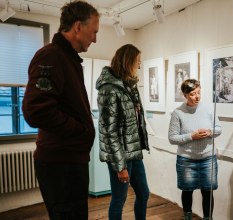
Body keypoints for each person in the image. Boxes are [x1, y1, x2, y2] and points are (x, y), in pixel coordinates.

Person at [22, 1, 99, 219]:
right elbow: (35, 110)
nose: (95, 39)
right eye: (93, 32)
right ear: (77, 27)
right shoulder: (52, 56)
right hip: (60, 165)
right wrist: (80, 130)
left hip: (68, 161)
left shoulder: (67, 58)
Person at [96, 44, 150, 220]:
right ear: (128, 62)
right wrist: (120, 166)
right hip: (119, 155)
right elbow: (108, 131)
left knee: (143, 193)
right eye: (137, 62)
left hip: (134, 151)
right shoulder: (109, 89)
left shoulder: (130, 86)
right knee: (119, 198)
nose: (139, 66)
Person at [168, 79, 222, 220]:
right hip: (186, 160)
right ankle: (187, 217)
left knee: (208, 191)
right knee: (187, 190)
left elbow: (219, 129)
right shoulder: (178, 113)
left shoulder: (208, 109)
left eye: (199, 93)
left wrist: (210, 132)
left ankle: (207, 218)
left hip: (208, 158)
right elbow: (172, 138)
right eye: (192, 94)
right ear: (185, 95)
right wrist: (191, 136)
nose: (197, 96)